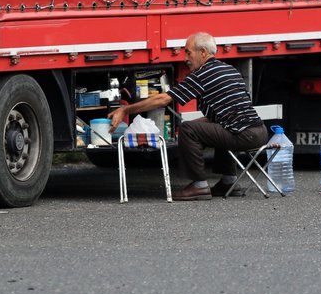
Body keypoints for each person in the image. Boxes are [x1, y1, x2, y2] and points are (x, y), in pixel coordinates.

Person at [107, 32, 267, 200]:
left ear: (203, 52)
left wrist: (126, 110)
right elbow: (229, 112)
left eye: (188, 52)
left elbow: (163, 99)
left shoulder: (203, 74)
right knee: (218, 126)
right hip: (259, 132)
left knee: (188, 128)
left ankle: (199, 186)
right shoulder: (229, 70)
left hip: (244, 135)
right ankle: (229, 182)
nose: (185, 58)